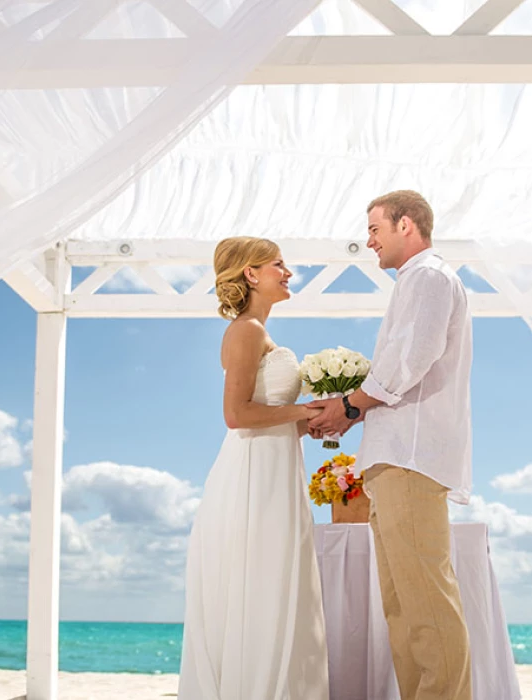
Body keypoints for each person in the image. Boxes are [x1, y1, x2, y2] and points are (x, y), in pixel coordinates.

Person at [310, 190, 474, 700]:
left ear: (408, 225)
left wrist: (351, 407)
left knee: (425, 601)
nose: (369, 239)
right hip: (394, 458)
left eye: (376, 228)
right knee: (403, 605)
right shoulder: (415, 282)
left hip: (410, 457)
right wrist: (353, 409)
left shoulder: (429, 277)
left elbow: (412, 358)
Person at [177, 236, 330, 700]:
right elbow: (236, 415)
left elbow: (266, 416)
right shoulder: (246, 331)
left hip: (274, 467)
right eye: (279, 265)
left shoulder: (261, 333)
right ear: (251, 274)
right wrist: (303, 412)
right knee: (262, 585)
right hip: (251, 478)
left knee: (278, 584)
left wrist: (309, 423)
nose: (288, 273)